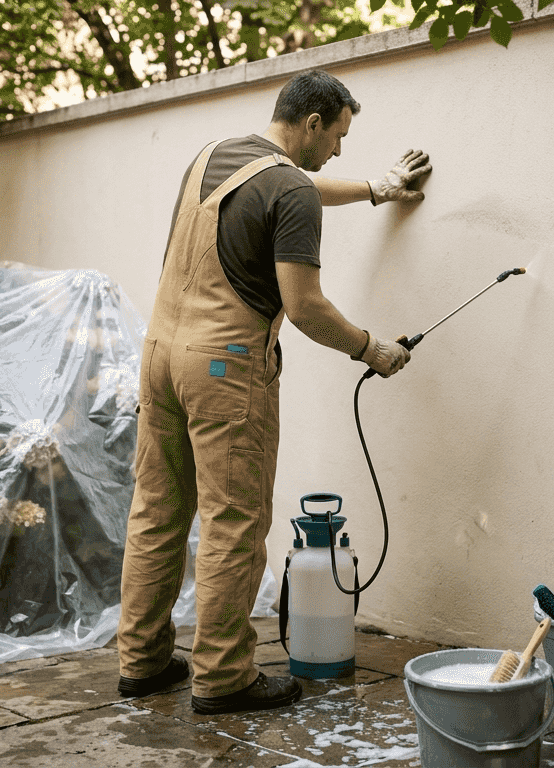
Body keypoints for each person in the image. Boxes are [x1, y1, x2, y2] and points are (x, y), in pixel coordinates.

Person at [116, 69, 432, 715]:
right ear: (312, 123)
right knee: (233, 522)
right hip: (225, 369)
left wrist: (376, 189)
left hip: (159, 357)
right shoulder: (292, 189)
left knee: (157, 512)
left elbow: (290, 187)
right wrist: (372, 349)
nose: (338, 150)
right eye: (338, 136)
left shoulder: (215, 155)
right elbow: (305, 306)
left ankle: (142, 662)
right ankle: (223, 677)